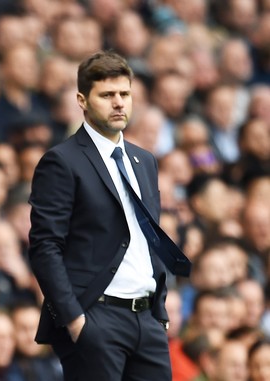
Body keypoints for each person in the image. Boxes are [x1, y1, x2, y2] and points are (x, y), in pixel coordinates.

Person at [28, 51, 190, 380]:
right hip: (96, 316)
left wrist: (159, 309)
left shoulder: (145, 160)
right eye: (107, 95)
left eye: (124, 94)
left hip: (147, 319)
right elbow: (45, 246)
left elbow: (149, 236)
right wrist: (74, 319)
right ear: (82, 100)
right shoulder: (62, 161)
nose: (118, 103)